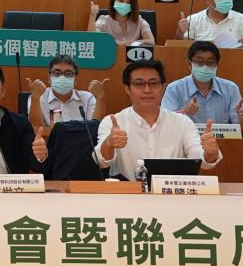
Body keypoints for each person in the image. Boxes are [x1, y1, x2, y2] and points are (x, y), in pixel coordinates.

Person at [94, 59, 222, 177]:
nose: (147, 90)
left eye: (154, 83)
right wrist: (109, 144)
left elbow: (201, 159)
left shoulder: (182, 122)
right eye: (139, 84)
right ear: (127, 89)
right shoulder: (112, 122)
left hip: (171, 196)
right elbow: (101, 161)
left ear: (163, 87)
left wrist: (210, 153)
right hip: (128, 195)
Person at [163, 41, 243, 130]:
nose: (205, 66)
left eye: (210, 62)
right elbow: (165, 126)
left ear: (217, 65)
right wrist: (184, 112)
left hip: (222, 143)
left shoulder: (231, 89)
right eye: (200, 62)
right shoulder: (174, 89)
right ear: (189, 64)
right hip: (186, 143)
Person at [28, 55, 105, 128]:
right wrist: (35, 98)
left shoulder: (88, 98)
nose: (62, 77)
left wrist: (100, 98)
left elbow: (96, 128)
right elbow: (35, 128)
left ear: (75, 79)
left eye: (68, 73)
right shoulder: (39, 97)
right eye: (57, 73)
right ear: (49, 78)